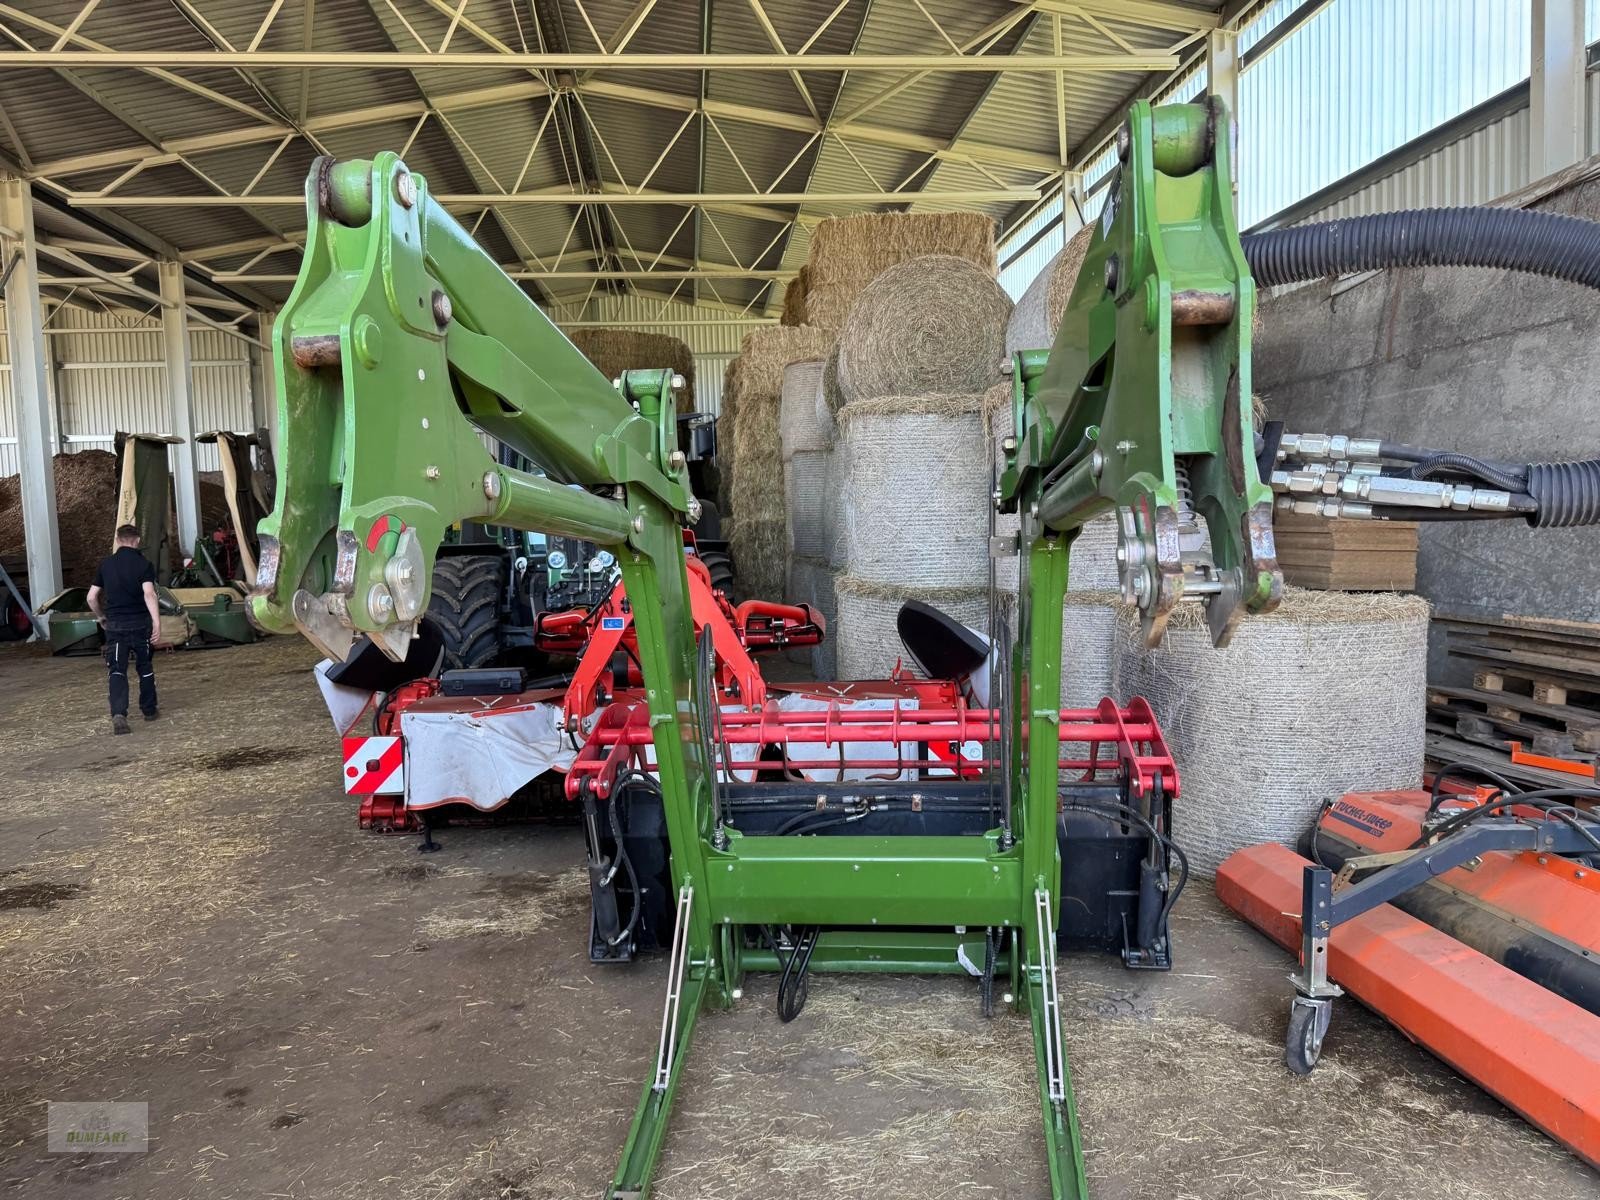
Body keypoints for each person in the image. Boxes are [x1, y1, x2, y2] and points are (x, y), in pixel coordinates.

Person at [87, 524, 161, 735]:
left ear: (118, 540)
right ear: (137, 540)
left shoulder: (106, 564)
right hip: (140, 625)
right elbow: (149, 594)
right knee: (144, 666)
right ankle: (149, 710)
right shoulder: (144, 564)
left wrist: (101, 616)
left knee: (117, 669)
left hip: (116, 626)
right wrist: (157, 622)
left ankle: (119, 714)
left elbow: (91, 597)